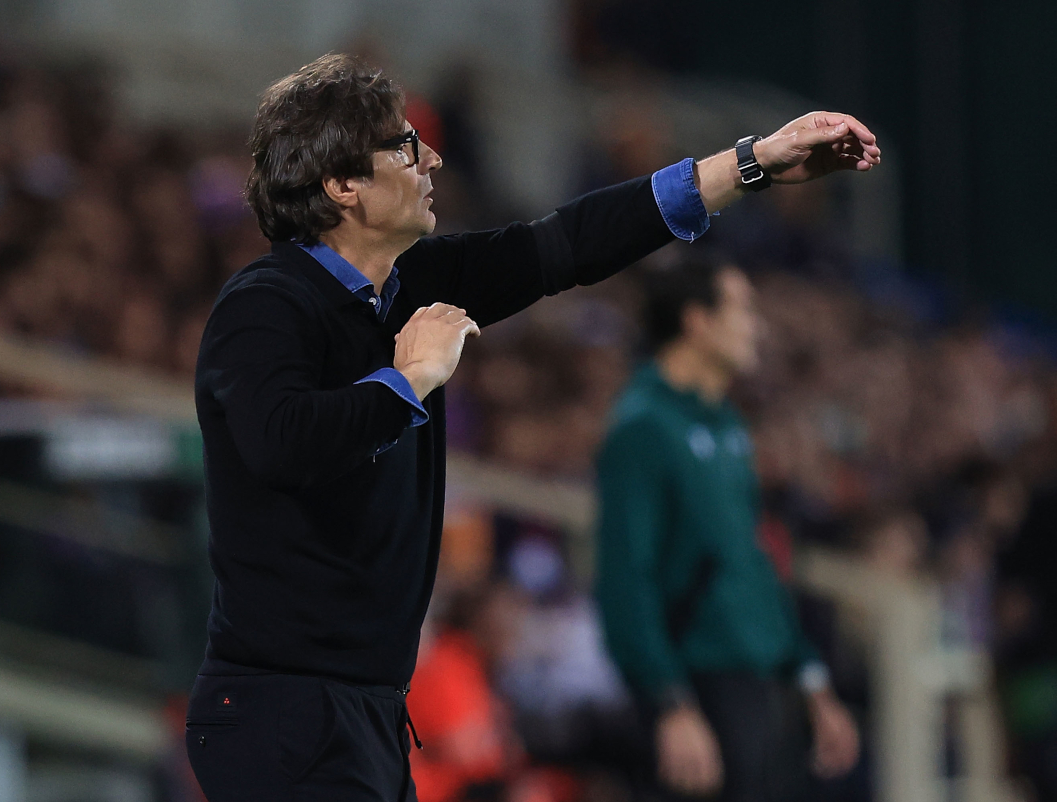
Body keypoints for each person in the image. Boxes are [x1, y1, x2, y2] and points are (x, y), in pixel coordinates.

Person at [185, 52, 880, 802]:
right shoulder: (264, 304)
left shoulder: (410, 284)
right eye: (406, 145)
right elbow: (283, 444)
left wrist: (754, 164)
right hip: (282, 712)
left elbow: (568, 244)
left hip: (367, 712)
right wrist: (410, 378)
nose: (434, 158)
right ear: (342, 183)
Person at [596, 256, 861, 802]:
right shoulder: (643, 427)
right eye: (742, 308)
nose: (755, 326)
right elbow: (626, 580)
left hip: (754, 686)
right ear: (697, 321)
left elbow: (752, 562)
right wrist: (671, 704)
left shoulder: (727, 424)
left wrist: (810, 678)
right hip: (697, 689)